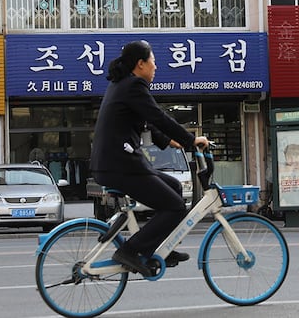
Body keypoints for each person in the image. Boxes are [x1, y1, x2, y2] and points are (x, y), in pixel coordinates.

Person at [90, 40, 209, 277]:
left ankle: (160, 247)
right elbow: (157, 117)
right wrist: (190, 140)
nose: (156, 67)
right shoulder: (134, 85)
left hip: (113, 163)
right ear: (140, 64)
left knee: (175, 187)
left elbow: (146, 122)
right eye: (153, 61)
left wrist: (169, 141)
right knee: (175, 207)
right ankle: (131, 250)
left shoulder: (122, 84)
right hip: (119, 164)